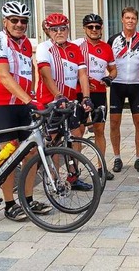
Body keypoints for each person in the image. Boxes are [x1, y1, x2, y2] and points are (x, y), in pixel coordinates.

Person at [0, 1, 51, 221]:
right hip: (1, 104)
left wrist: (32, 98)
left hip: (22, 104)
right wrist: (30, 100)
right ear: (5, 21)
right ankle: (9, 204)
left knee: (30, 152)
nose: (19, 24)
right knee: (9, 154)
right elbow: (3, 75)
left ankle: (28, 200)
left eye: (23, 21)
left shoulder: (25, 44)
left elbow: (28, 72)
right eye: (14, 20)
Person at [36, 13, 93, 191]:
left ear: (68, 29)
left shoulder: (75, 49)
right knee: (54, 141)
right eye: (54, 29)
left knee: (75, 135)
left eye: (63, 28)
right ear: (48, 31)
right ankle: (54, 180)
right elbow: (45, 74)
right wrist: (58, 95)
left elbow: (82, 74)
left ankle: (73, 176)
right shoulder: (44, 48)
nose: (59, 32)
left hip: (70, 103)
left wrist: (86, 97)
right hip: (50, 102)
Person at [74, 14, 118, 181]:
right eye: (90, 27)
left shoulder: (106, 48)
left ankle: (101, 167)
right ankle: (75, 170)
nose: (94, 30)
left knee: (99, 130)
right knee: (78, 131)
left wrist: (109, 78)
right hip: (80, 93)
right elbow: (73, 69)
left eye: (97, 27)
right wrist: (82, 81)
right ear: (85, 29)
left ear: (101, 28)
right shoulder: (77, 46)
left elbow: (114, 70)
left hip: (99, 94)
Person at [107, 7, 139, 174]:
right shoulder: (113, 40)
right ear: (122, 20)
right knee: (114, 124)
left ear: (136, 21)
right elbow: (107, 62)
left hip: (137, 86)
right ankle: (117, 158)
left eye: (133, 18)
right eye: (127, 18)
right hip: (117, 85)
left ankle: (138, 158)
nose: (130, 21)